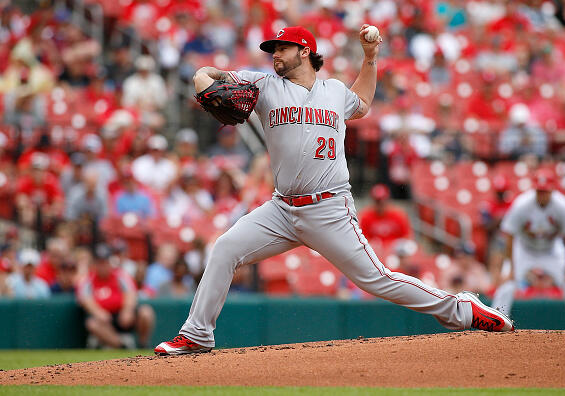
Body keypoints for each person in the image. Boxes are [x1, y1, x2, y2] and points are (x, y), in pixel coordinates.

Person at [155, 25, 513, 356]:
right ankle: (198, 333)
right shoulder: (263, 85)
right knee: (225, 249)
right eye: (273, 49)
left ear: (305, 51)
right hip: (281, 209)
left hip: (328, 208)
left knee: (377, 279)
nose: (275, 54)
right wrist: (203, 78)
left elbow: (364, 103)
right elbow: (211, 76)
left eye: (283, 48)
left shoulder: (335, 91)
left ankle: (461, 309)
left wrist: (370, 60)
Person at [491, 169, 565, 330]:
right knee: (506, 285)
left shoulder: (562, 205)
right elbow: (509, 234)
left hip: (551, 250)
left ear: (553, 189)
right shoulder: (522, 203)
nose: (542, 194)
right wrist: (510, 267)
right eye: (539, 190)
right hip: (524, 249)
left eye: (545, 191)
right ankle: (493, 328)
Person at [77, 244, 155, 348]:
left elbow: (131, 293)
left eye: (105, 262)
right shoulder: (87, 280)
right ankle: (121, 346)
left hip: (122, 315)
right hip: (105, 320)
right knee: (92, 323)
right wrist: (98, 312)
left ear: (110, 262)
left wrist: (127, 310)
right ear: (95, 263)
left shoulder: (120, 275)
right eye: (100, 262)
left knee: (146, 312)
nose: (102, 266)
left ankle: (142, 345)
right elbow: (85, 300)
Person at [358, 183, 411, 248]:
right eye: (377, 201)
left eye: (383, 200)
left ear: (387, 199)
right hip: (375, 251)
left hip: (395, 251)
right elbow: (362, 238)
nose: (381, 204)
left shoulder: (398, 215)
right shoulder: (366, 216)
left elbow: (406, 236)